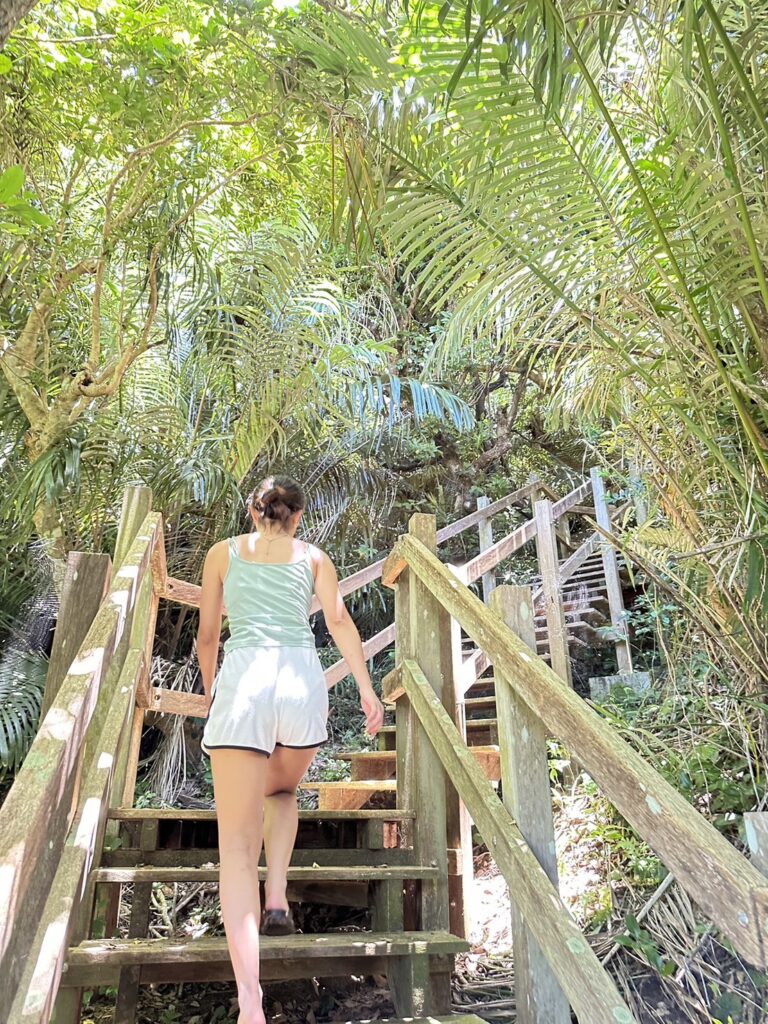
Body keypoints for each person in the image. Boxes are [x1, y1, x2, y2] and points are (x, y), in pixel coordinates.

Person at [196, 475, 385, 1024]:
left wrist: (215, 694)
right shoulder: (315, 558)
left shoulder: (221, 554)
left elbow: (209, 636)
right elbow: (338, 621)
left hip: (246, 683)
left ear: (253, 514)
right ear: (298, 517)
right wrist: (367, 690)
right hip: (301, 684)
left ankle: (250, 1002)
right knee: (282, 788)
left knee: (235, 850)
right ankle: (276, 892)